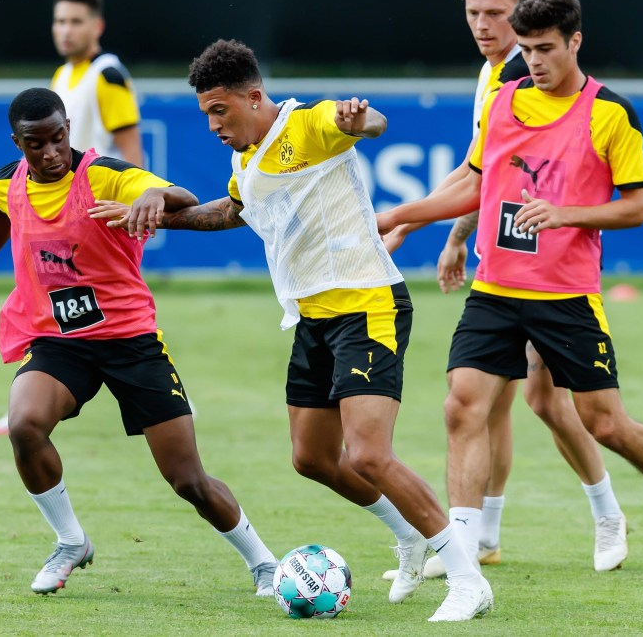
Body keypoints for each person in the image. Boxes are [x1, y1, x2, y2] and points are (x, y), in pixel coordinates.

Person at [91, 39, 492, 622]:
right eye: (205, 113)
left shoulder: (307, 125)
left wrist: (362, 120)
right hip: (312, 318)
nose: (212, 124)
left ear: (255, 97)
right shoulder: (246, 158)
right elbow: (229, 212)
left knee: (369, 455)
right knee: (312, 457)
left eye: (219, 110)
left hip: (367, 306)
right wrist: (150, 212)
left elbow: (367, 121)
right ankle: (407, 535)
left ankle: (465, 577)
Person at [376, 0, 643, 578]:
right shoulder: (504, 101)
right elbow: (473, 184)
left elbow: (636, 207)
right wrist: (399, 217)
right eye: (527, 49)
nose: (534, 62)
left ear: (575, 41)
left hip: (566, 296)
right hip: (496, 290)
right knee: (463, 407)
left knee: (605, 423)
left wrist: (567, 212)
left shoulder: (610, 112)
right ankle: (462, 551)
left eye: (545, 49)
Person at [0, 87, 278, 596]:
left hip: (131, 340)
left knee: (187, 480)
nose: (51, 153)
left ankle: (263, 564)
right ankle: (70, 541)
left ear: (68, 130)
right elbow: (2, 211)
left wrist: (153, 195)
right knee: (24, 425)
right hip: (62, 341)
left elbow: (181, 197)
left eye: (59, 138)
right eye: (36, 144)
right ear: (18, 143)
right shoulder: (7, 182)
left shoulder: (102, 173)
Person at [383, 0, 627, 579]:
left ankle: (604, 513)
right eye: (474, 14)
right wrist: (455, 236)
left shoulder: (524, 71)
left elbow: (486, 176)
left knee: (539, 403)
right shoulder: (493, 72)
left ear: (521, 12)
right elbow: (484, 176)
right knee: (487, 404)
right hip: (506, 261)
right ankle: (483, 534)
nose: (485, 25)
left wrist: (412, 224)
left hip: (547, 265)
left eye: (496, 13)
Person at [0, 0, 144, 436]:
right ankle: (34, 394)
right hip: (54, 206)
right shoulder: (61, 77)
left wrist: (134, 209)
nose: (66, 30)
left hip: (93, 214)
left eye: (76, 21)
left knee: (110, 310)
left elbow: (131, 151)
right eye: (59, 21)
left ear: (97, 27)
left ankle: (153, 391)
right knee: (44, 294)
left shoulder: (107, 75)